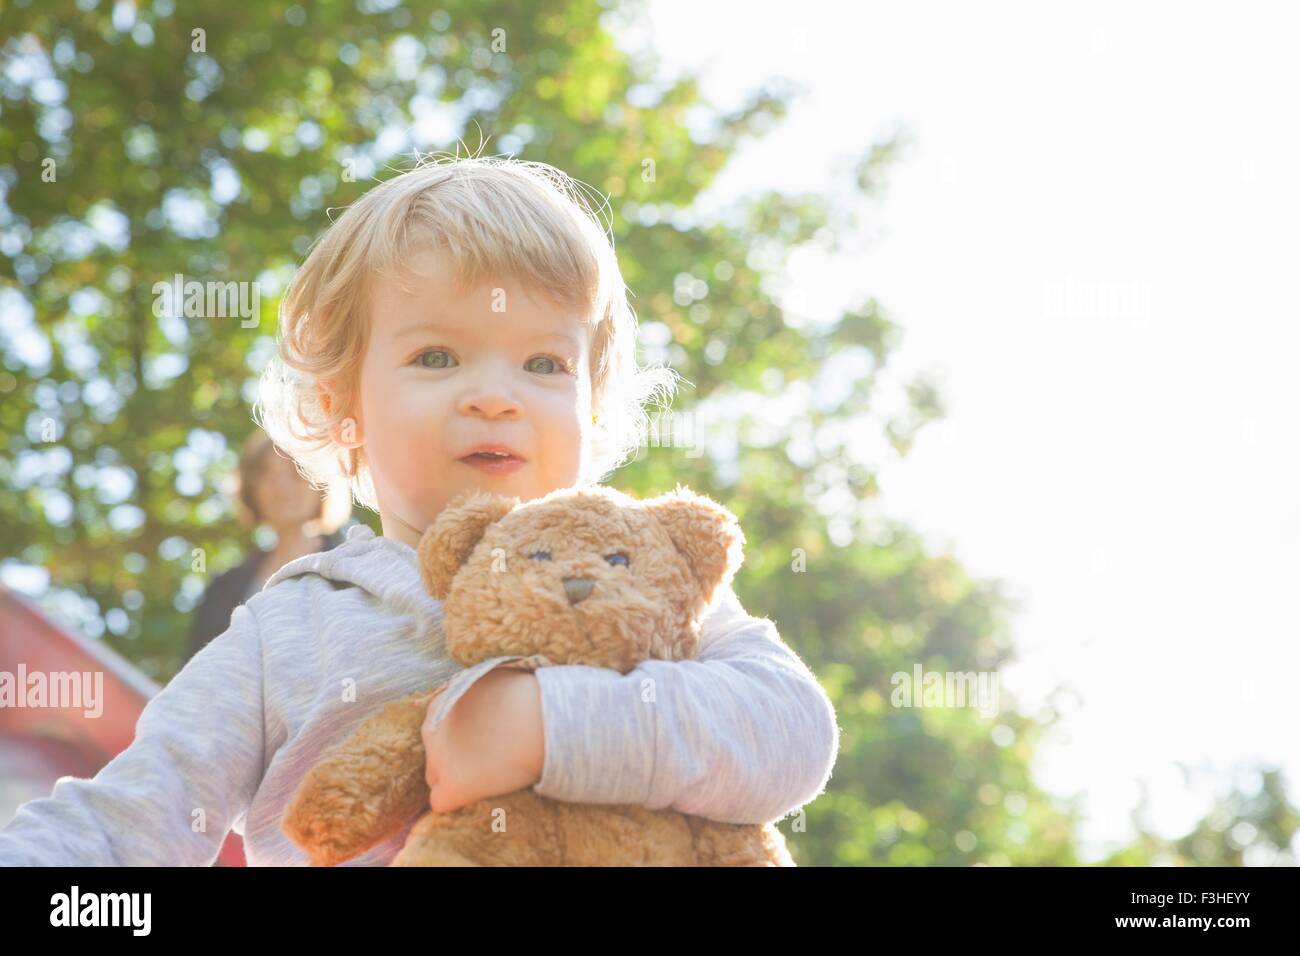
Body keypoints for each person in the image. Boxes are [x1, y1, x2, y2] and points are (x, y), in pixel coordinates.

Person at [0, 155, 840, 865]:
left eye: (545, 363)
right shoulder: (288, 628)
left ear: (595, 404)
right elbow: (128, 817)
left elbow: (792, 731)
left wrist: (549, 726)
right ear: (342, 407)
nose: (495, 396)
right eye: (437, 355)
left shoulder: (645, 576)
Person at [183, 431, 351, 666]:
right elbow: (195, 676)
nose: (281, 486)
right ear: (252, 489)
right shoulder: (222, 589)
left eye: (295, 473)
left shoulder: (353, 571)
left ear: (320, 484)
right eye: (267, 474)